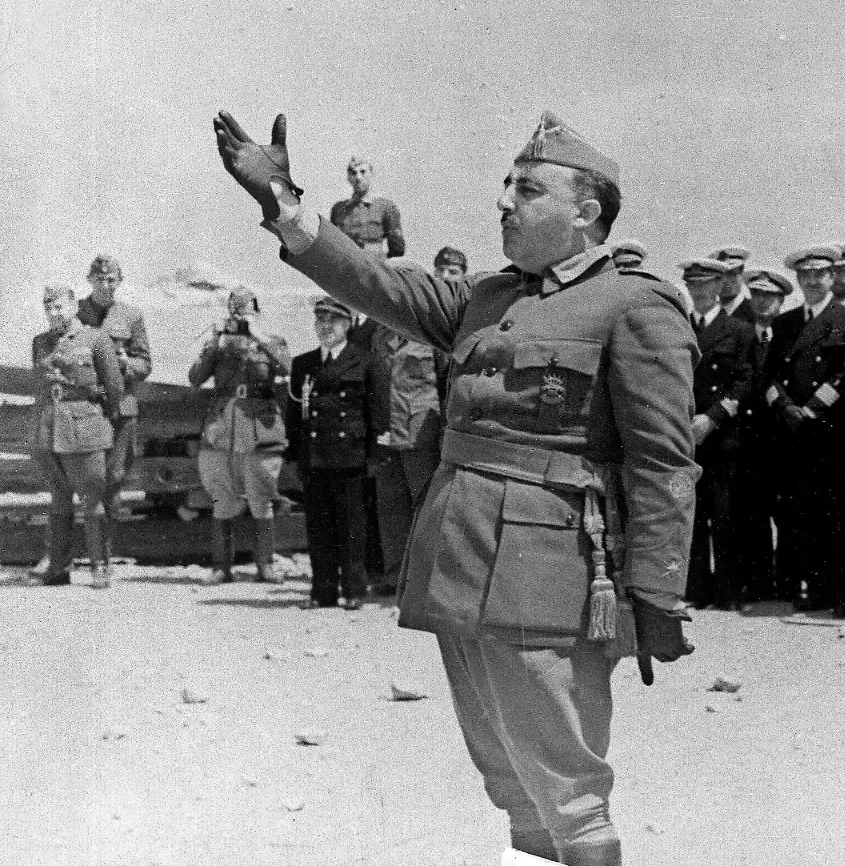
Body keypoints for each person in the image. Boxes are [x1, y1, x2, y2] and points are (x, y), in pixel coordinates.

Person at [214, 108, 698, 866]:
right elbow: (372, 280)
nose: (504, 200)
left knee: (568, 788)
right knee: (510, 779)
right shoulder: (486, 296)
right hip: (459, 554)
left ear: (587, 212)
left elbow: (664, 462)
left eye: (527, 189)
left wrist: (660, 591)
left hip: (549, 572)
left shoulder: (636, 306)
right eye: (505, 184)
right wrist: (285, 201)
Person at [768, 245, 845, 613]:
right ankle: (797, 587)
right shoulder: (785, 323)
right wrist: (785, 406)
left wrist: (811, 409)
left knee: (832, 515)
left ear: (832, 277)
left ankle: (830, 591)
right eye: (804, 275)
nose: (811, 281)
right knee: (796, 513)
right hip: (791, 432)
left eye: (819, 274)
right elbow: (771, 374)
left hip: (827, 431)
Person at [189, 285, 290, 585]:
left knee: (262, 495)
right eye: (237, 316)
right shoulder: (220, 346)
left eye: (247, 316)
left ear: (258, 315)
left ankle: (266, 565)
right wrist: (214, 344)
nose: (242, 322)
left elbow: (287, 367)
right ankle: (221, 567)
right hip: (223, 427)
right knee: (222, 496)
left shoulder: (272, 341)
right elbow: (195, 379)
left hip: (260, 426)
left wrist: (258, 336)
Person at [29, 286, 123, 588]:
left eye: (58, 306)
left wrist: (96, 418)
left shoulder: (96, 339)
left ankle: (100, 566)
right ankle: (58, 567)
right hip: (49, 429)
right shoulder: (41, 342)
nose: (53, 313)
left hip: (85, 429)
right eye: (48, 308)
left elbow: (114, 388)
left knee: (92, 500)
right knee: (59, 499)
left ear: (73, 306)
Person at [285, 296, 374, 609]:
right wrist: (297, 456)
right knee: (318, 527)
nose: (325, 327)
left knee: (351, 526)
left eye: (332, 321)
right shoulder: (303, 364)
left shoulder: (363, 361)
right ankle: (322, 592)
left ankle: (353, 590)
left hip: (350, 456)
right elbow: (294, 416)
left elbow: (374, 411)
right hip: (315, 456)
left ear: (347, 325)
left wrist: (371, 455)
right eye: (320, 321)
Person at [364, 260, 444, 598]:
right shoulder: (376, 332)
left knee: (426, 508)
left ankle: (428, 581)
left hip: (422, 432)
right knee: (391, 509)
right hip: (386, 434)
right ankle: (397, 577)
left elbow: (445, 382)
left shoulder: (432, 330)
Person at [681, 255, 755, 611]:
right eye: (693, 285)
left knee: (725, 515)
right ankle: (696, 588)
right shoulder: (679, 328)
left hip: (720, 435)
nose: (700, 292)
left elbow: (745, 380)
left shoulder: (739, 330)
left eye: (707, 285)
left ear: (719, 287)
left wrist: (712, 417)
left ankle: (728, 590)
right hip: (684, 436)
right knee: (691, 516)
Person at [76, 254, 152, 524]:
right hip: (86, 406)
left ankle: (105, 553)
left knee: (115, 475)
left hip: (121, 407)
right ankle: (89, 546)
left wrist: (125, 362)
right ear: (89, 280)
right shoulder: (75, 313)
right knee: (88, 476)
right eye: (99, 279)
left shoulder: (131, 315)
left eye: (111, 279)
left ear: (120, 281)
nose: (105, 285)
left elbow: (145, 363)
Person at [735, 267, 793, 603]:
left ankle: (786, 582)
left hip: (781, 437)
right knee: (751, 513)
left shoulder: (788, 333)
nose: (763, 301)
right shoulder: (742, 333)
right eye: (757, 295)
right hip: (748, 436)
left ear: (781, 300)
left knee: (786, 514)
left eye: (770, 296)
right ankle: (757, 583)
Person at [329, 155, 405, 256]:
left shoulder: (386, 207)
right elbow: (332, 246)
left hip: (373, 266)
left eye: (363, 172)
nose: (358, 177)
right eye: (353, 173)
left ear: (371, 174)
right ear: (348, 178)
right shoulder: (338, 209)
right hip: (345, 266)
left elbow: (397, 249)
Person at [712, 246, 756, 324]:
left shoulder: (757, 314)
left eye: (731, 274)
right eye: (720, 276)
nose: (725, 280)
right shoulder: (708, 315)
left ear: (742, 274)